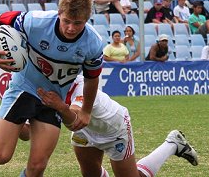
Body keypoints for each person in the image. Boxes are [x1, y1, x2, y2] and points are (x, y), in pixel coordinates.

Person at [0, 0, 104, 177]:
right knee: (0, 156)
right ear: (59, 13)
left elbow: (91, 78)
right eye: (66, 21)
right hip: (24, 87)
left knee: (37, 167)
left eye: (78, 23)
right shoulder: (35, 22)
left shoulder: (93, 43)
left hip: (53, 99)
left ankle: (18, 126)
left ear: (87, 20)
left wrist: (86, 110)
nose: (71, 28)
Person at [36, 75, 198, 177]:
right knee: (90, 173)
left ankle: (172, 144)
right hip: (85, 130)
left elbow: (77, 119)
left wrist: (59, 106)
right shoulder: (43, 85)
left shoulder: (79, 85)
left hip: (113, 128)